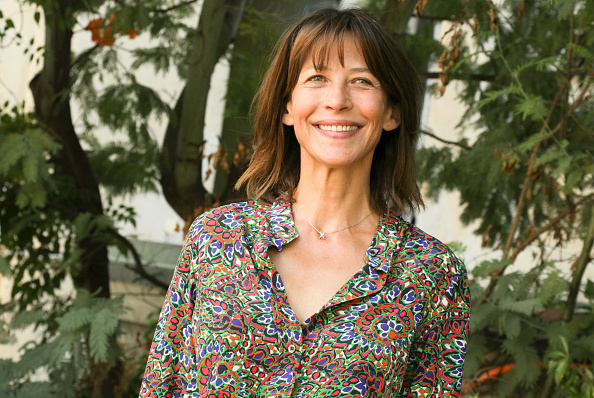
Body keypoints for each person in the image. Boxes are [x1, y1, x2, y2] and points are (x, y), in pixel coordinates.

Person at [140, 7, 470, 398]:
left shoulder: (431, 274)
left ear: (392, 112)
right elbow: (162, 386)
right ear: (286, 107)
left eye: (362, 81)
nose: (337, 100)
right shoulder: (216, 240)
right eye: (316, 77)